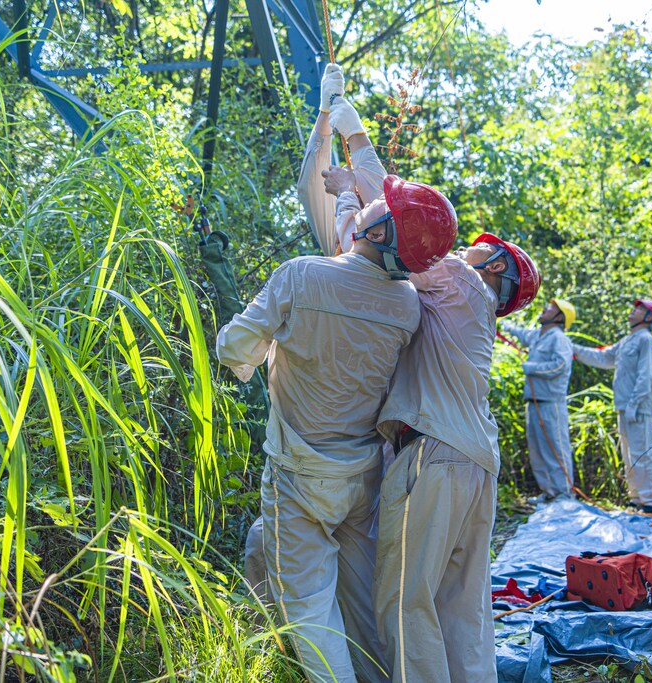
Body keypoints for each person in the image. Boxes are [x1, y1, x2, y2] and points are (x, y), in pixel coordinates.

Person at [217, 64, 457, 683]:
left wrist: (253, 358)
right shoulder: (408, 304)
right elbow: (375, 229)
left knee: (310, 613)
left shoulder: (303, 275)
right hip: (362, 473)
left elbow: (232, 347)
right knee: (360, 605)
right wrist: (340, 126)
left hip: (299, 471)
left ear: (374, 226)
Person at [317, 93, 542, 681]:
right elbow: (384, 241)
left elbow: (401, 227)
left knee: (403, 601)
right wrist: (351, 187)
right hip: (474, 463)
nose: (468, 246)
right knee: (461, 608)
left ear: (496, 268)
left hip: (434, 457)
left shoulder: (460, 282)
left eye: (482, 247)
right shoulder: (467, 306)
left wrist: (354, 145)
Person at [573, 299, 652, 513]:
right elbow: (603, 358)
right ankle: (637, 499)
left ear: (649, 317)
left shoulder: (645, 340)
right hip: (624, 407)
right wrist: (573, 348)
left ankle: (651, 502)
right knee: (630, 455)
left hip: (639, 407)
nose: (633, 311)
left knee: (643, 454)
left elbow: (646, 374)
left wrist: (635, 403)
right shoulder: (627, 341)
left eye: (639, 309)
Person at [500, 298, 577, 501]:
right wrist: (503, 323)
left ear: (560, 317)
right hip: (533, 403)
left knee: (556, 449)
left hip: (551, 404)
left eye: (551, 308)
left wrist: (531, 368)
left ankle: (564, 494)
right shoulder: (539, 335)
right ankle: (549, 492)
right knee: (537, 450)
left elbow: (560, 366)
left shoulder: (559, 338)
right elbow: (522, 334)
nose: (545, 309)